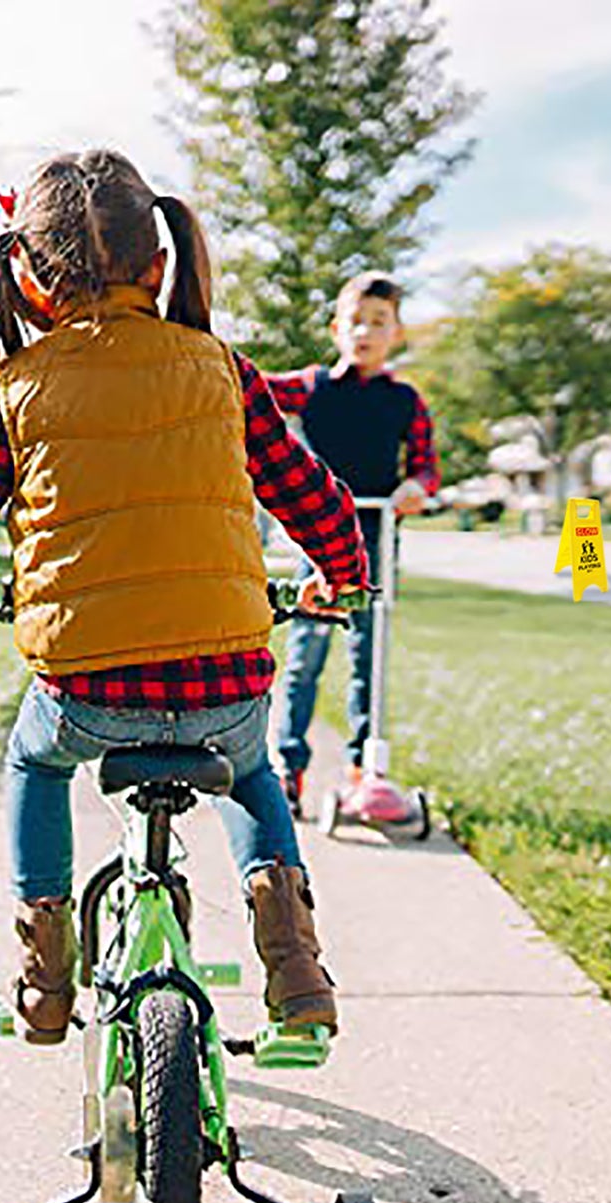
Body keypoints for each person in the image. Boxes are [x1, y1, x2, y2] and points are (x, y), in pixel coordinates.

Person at [0, 150, 369, 1043]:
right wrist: (337, 576)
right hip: (226, 682)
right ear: (159, 265)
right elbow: (314, 498)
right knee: (254, 770)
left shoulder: (19, 388)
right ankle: (296, 968)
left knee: (34, 762)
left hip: (87, 693)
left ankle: (45, 976)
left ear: (30, 282)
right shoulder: (224, 371)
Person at [259, 273, 440, 816]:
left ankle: (366, 768)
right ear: (337, 329)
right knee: (304, 659)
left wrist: (417, 488)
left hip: (375, 541)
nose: (365, 331)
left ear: (396, 334)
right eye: (355, 321)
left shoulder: (405, 401)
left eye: (378, 322)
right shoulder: (311, 388)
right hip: (317, 543)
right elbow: (252, 390)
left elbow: (427, 467)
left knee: (369, 657)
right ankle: (288, 768)